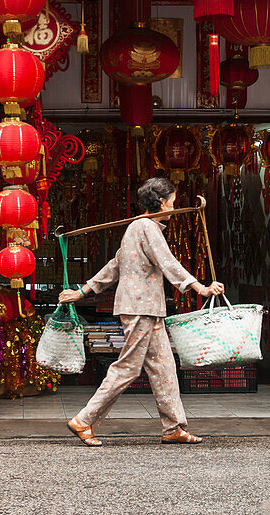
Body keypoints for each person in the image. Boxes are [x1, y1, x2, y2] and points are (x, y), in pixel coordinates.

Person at [58, 177, 224, 446]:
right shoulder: (146, 227)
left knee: (164, 368)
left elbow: (115, 264)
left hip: (148, 308)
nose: (173, 206)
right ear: (161, 202)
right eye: (172, 201)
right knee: (128, 368)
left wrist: (83, 291)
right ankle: (84, 419)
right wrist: (200, 288)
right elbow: (167, 261)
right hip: (140, 307)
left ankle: (173, 427)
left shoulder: (137, 228)